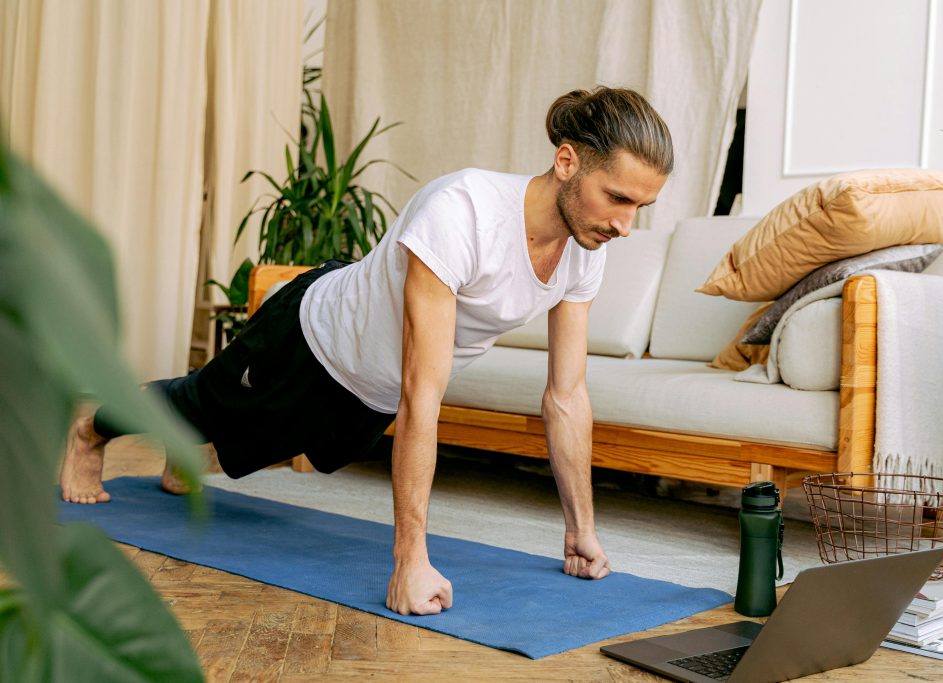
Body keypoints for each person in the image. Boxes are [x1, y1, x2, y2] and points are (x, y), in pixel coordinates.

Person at [60, 86, 673, 616]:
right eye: (617, 198)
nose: (625, 226)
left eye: (640, 209)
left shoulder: (582, 255)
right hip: (308, 340)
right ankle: (92, 425)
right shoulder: (462, 212)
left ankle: (194, 437)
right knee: (196, 404)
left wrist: (581, 530)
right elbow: (422, 391)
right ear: (567, 161)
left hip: (364, 392)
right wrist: (410, 561)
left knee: (249, 448)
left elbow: (566, 397)